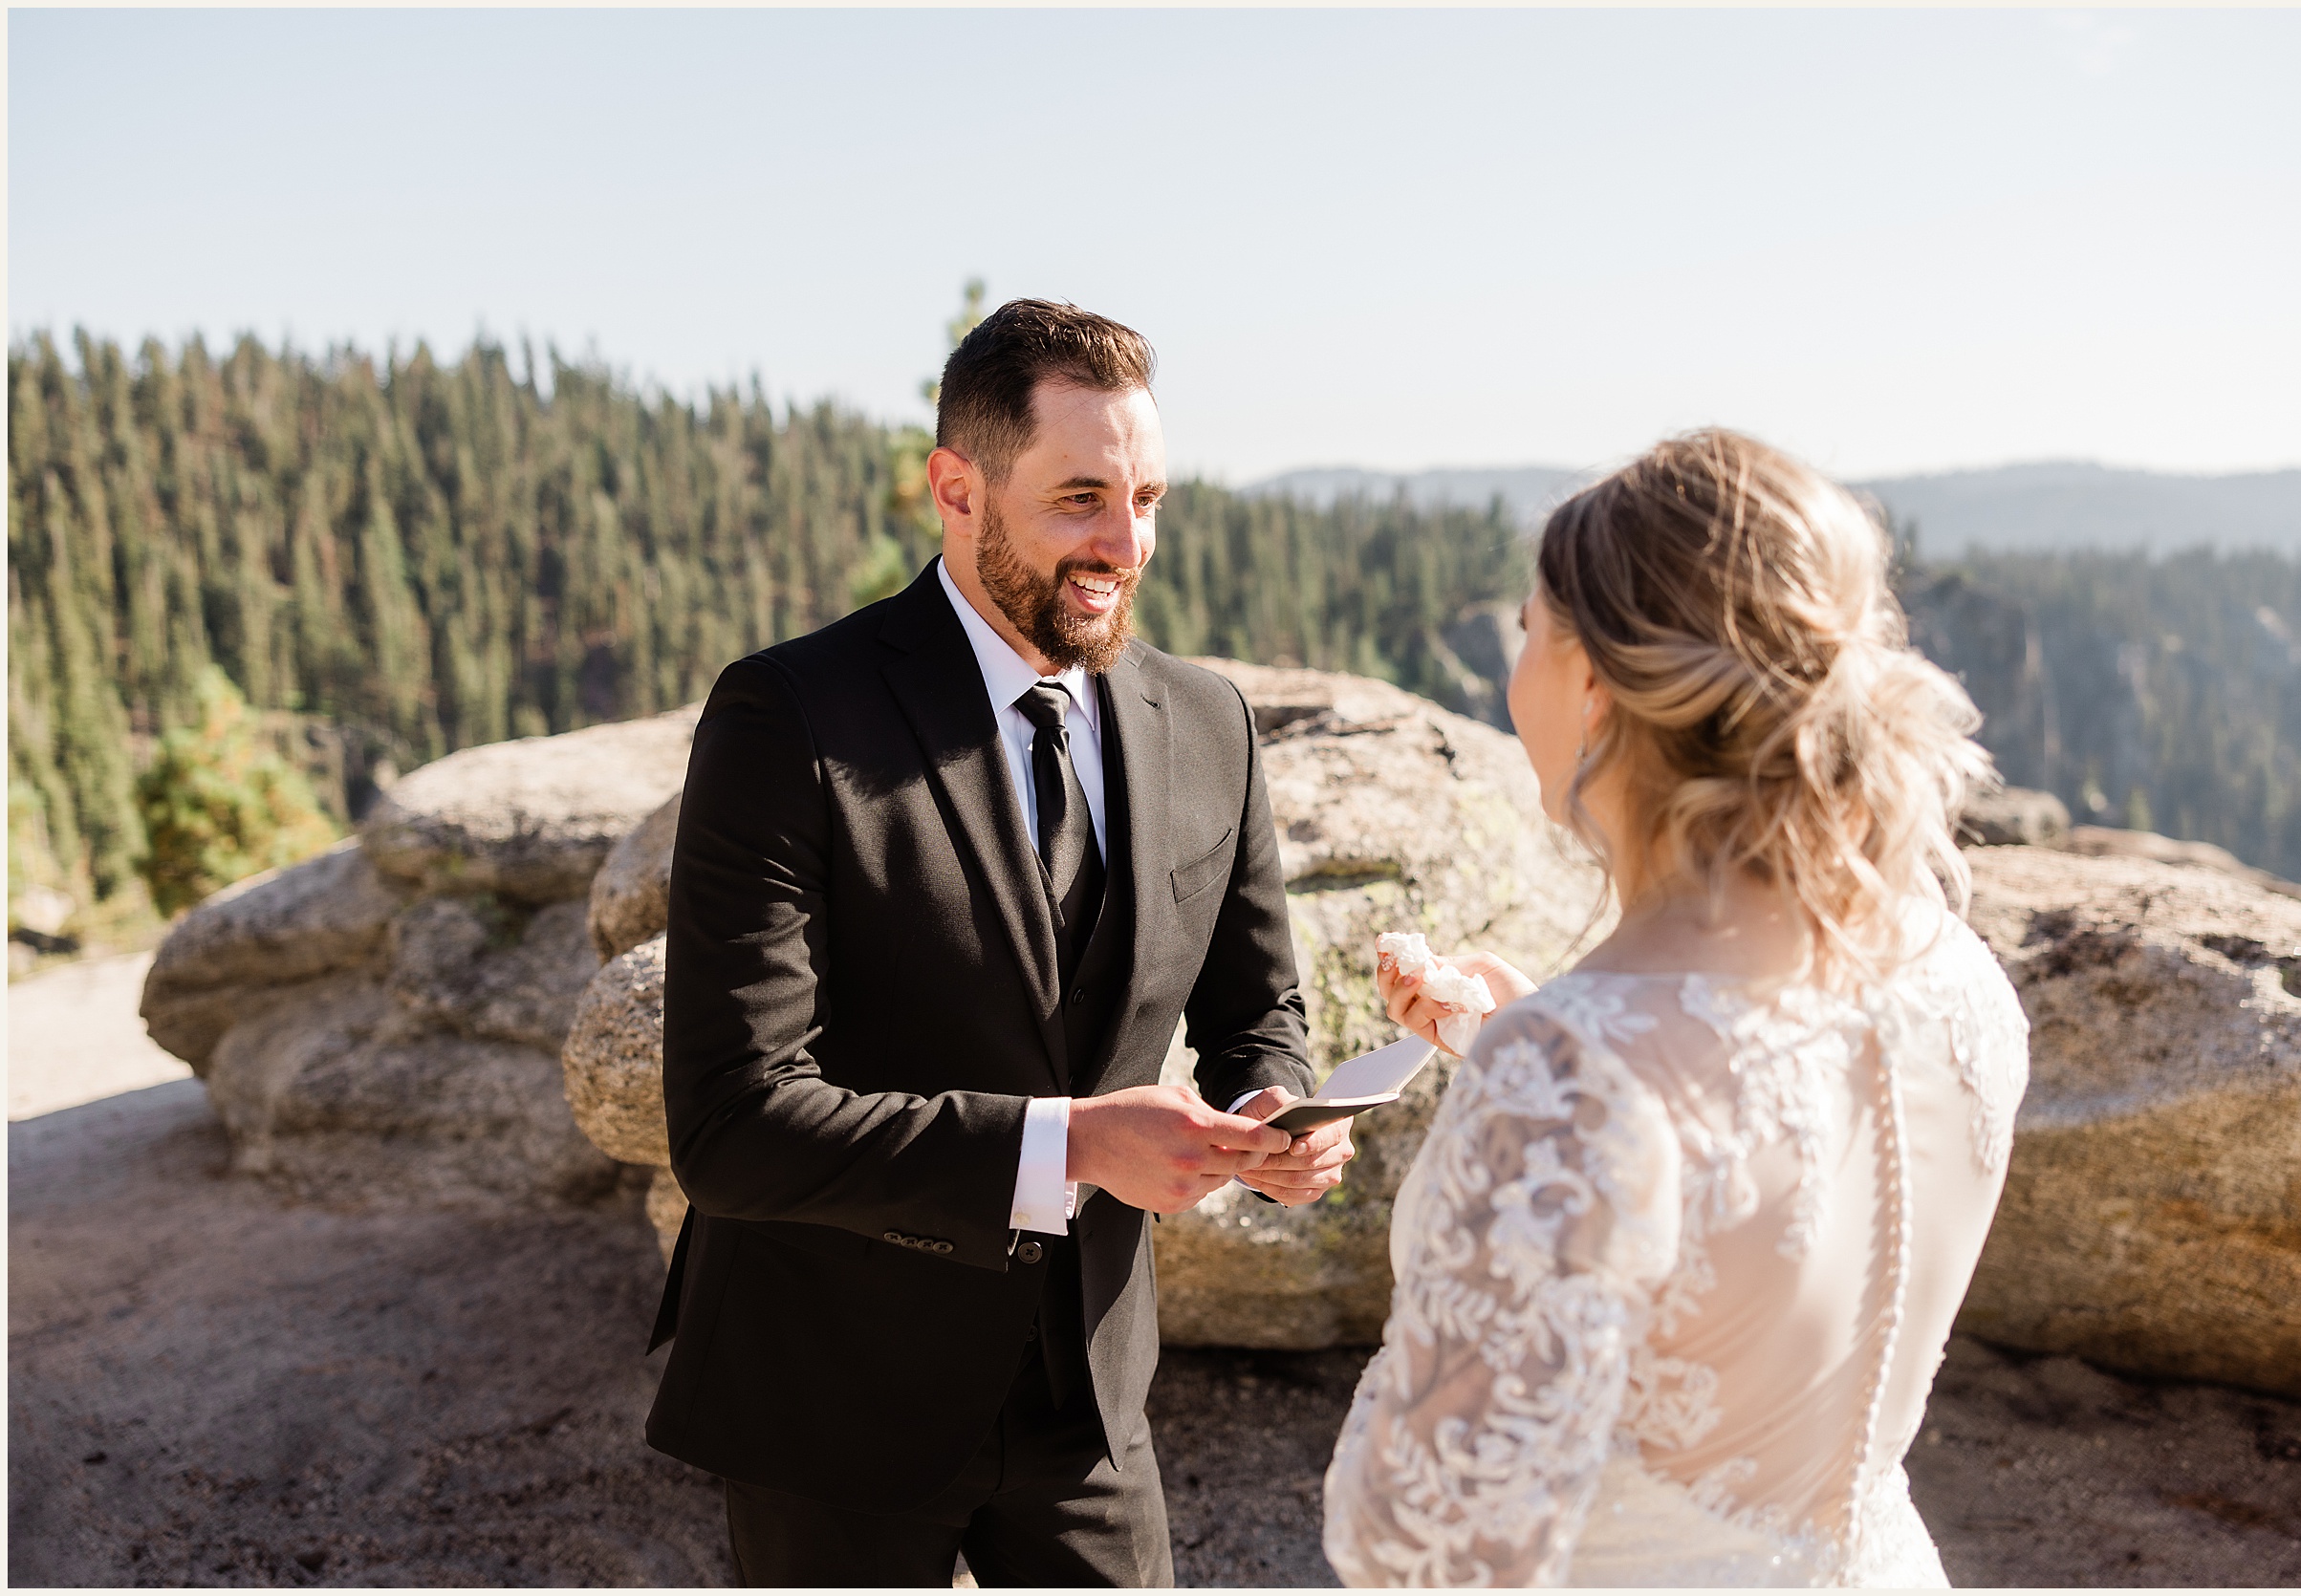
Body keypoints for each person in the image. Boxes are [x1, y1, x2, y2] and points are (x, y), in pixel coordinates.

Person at [644, 298, 1357, 1586]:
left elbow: (1260, 1007)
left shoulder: (1209, 724)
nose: (1125, 543)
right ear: (955, 488)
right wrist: (1076, 1140)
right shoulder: (788, 715)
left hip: (1091, 1396)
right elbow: (735, 1124)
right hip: (832, 1393)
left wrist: (1276, 1110)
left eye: (1148, 497)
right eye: (1082, 496)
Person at [1321, 430, 2030, 1586]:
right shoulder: (1955, 977)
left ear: (1592, 681)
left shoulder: (1572, 1074)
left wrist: (1537, 1079)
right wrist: (1525, 1044)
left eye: (1526, 633)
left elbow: (1421, 1539)